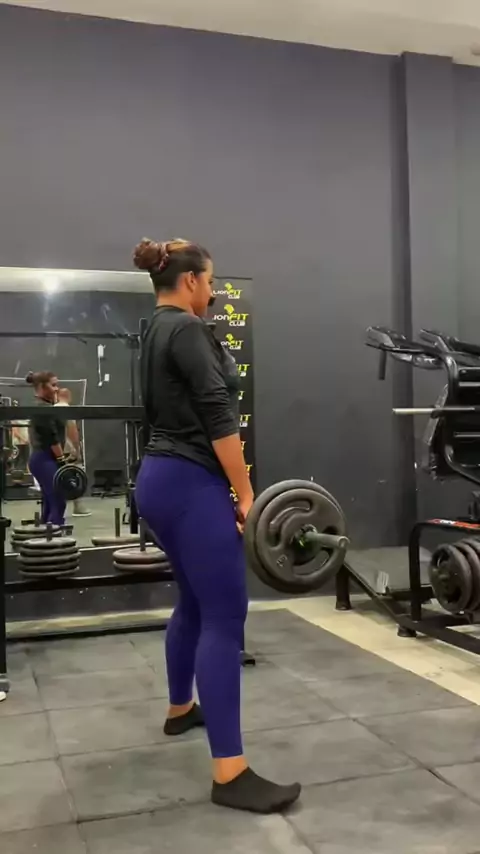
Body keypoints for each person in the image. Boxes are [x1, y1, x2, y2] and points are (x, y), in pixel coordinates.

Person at [134, 237, 301, 814]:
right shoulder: (187, 329)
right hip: (189, 483)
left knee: (194, 602)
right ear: (189, 282)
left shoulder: (153, 329)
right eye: (209, 281)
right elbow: (217, 414)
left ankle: (181, 708)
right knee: (227, 615)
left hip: (158, 480)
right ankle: (230, 772)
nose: (212, 291)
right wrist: (246, 494)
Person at [26, 371, 67, 526]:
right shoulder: (42, 408)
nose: (57, 389)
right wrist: (62, 460)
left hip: (46, 458)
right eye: (53, 385)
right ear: (42, 387)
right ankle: (54, 533)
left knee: (50, 501)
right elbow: (51, 437)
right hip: (44, 458)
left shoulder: (46, 407)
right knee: (58, 500)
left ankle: (46, 531)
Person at [55, 388, 91, 517]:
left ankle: (57, 510)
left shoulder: (53, 408)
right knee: (75, 475)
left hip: (56, 448)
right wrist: (77, 449)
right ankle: (78, 507)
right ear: (68, 396)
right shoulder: (66, 408)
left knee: (58, 477)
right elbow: (72, 430)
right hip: (67, 449)